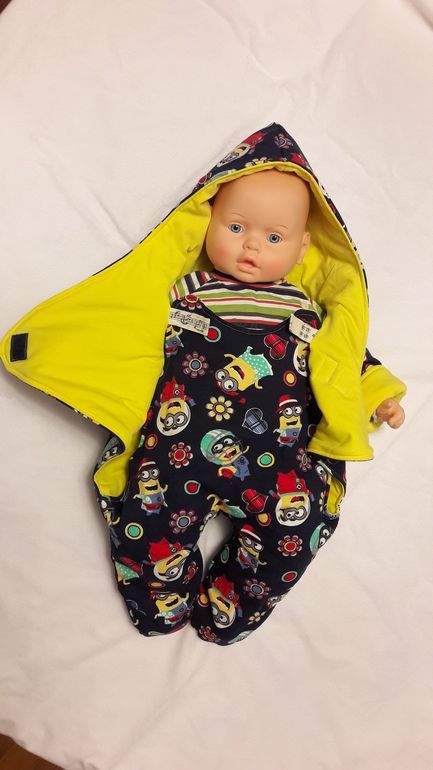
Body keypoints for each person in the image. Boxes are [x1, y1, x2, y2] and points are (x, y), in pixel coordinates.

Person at [116, 169, 404, 645]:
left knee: (294, 536)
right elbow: (123, 330)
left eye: (274, 237)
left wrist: (379, 397)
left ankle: (228, 608)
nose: (251, 245)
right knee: (145, 530)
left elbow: (347, 361)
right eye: (236, 227)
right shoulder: (181, 293)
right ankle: (159, 605)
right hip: (174, 453)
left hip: (279, 463)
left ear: (303, 248)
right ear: (207, 224)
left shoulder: (308, 314)